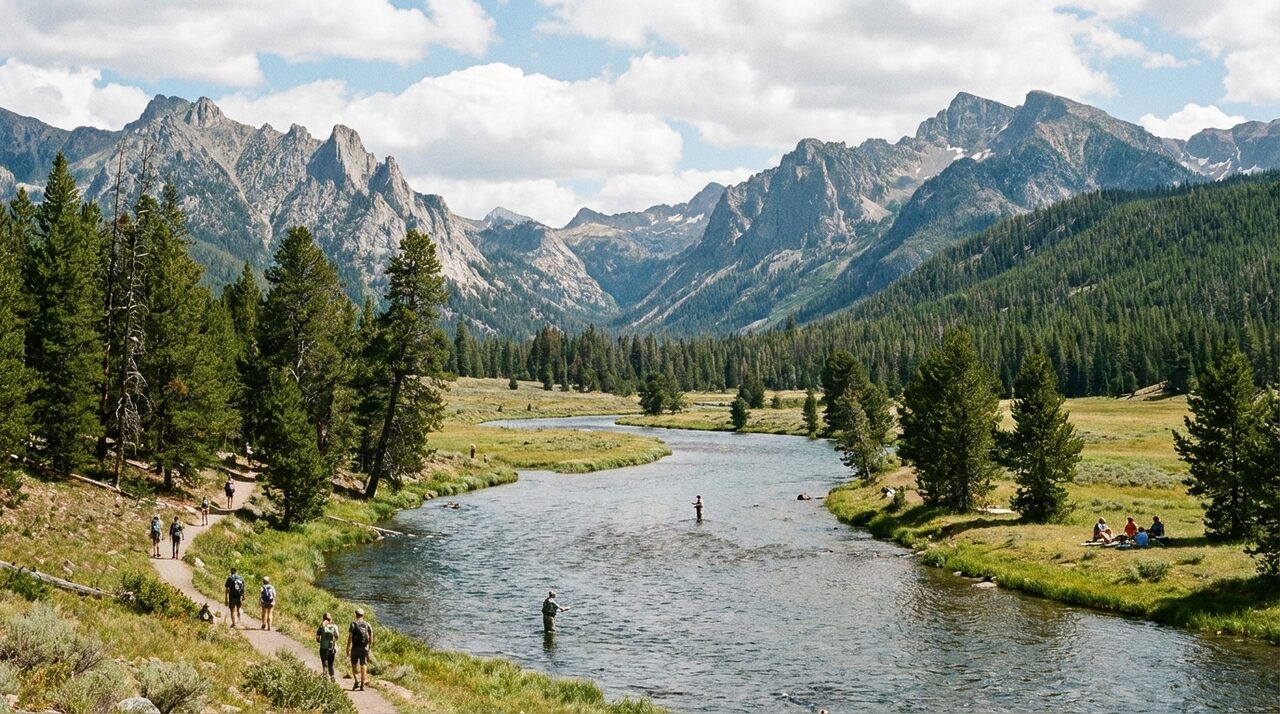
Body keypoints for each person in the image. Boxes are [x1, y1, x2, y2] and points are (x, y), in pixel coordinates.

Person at [347, 608, 373, 691]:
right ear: (363, 615)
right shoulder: (367, 624)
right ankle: (362, 683)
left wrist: (348, 647)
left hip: (355, 647)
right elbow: (371, 637)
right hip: (364, 647)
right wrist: (369, 648)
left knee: (353, 664)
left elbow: (350, 637)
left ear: (356, 615)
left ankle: (356, 680)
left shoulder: (353, 624)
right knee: (363, 664)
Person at [316, 612, 339, 682]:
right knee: (330, 664)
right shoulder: (334, 627)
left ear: (323, 619)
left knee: (324, 663)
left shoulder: (321, 627)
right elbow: (337, 637)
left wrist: (321, 640)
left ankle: (325, 678)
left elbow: (317, 638)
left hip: (323, 648)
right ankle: (332, 676)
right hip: (331, 648)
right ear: (330, 619)